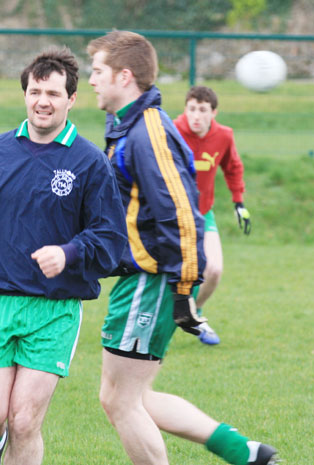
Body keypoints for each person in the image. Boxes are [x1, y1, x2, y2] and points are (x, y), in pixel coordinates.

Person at [87, 30, 277, 465]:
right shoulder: (129, 125)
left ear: (124, 75)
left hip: (151, 280)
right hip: (142, 277)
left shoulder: (148, 133)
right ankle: (243, 451)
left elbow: (182, 217)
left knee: (121, 401)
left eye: (97, 70)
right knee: (128, 396)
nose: (92, 79)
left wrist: (182, 289)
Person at [0, 47, 127, 465]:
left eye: (54, 94)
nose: (43, 100)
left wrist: (70, 252)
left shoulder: (90, 161)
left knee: (24, 422)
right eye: (36, 91)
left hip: (54, 311)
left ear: (71, 100)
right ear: (25, 94)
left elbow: (111, 238)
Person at [174, 86, 251, 345]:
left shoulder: (224, 136)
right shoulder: (171, 131)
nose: (196, 116)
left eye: (203, 110)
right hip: (170, 216)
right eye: (191, 109)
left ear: (213, 113)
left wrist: (239, 202)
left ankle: (192, 314)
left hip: (203, 213)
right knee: (169, 275)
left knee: (214, 270)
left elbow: (233, 167)